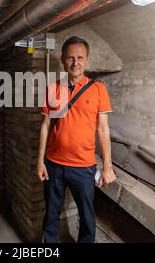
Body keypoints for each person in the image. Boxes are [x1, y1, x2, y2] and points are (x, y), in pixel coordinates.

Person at [37, 36, 117, 243]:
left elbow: (103, 129)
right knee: (51, 215)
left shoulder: (98, 90)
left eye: (80, 57)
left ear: (87, 60)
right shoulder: (53, 89)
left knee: (87, 217)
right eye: (70, 58)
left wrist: (108, 166)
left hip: (83, 167)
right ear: (63, 60)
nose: (75, 62)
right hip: (53, 164)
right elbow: (45, 125)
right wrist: (39, 162)